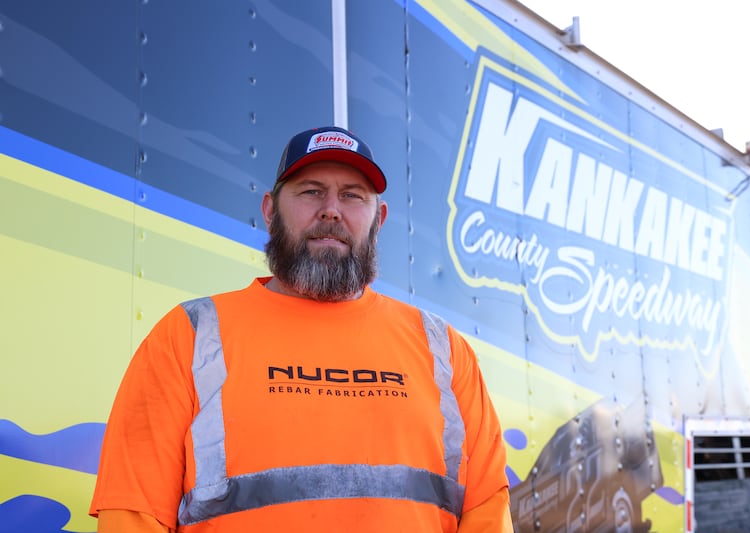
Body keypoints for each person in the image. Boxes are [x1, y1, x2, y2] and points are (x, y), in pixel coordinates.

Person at [90, 126, 512, 532]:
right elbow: (132, 515)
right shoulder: (188, 336)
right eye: (311, 191)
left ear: (378, 219)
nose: (331, 209)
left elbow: (486, 513)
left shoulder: (442, 349)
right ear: (270, 210)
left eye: (352, 195)